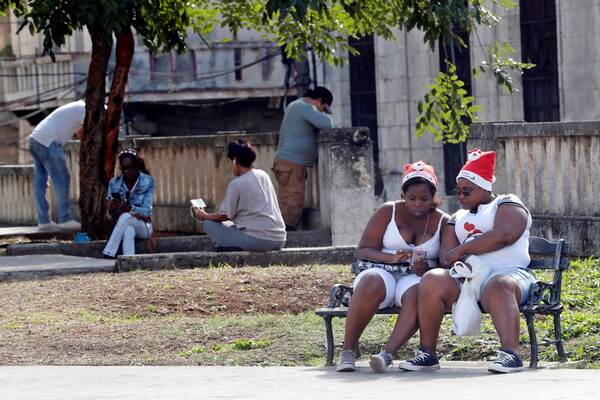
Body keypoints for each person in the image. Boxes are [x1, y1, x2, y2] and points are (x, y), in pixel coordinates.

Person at [399, 149, 535, 374]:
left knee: (498, 284)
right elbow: (446, 255)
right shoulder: (457, 217)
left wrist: (463, 249)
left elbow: (506, 234)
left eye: (467, 191)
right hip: (467, 277)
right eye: (458, 191)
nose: (461, 196)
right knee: (432, 279)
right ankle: (427, 354)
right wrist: (458, 262)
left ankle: (511, 354)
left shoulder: (507, 202)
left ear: (485, 188)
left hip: (510, 275)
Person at [336, 161, 449, 372]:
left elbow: (445, 261)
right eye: (411, 198)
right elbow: (363, 250)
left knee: (420, 291)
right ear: (403, 195)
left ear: (433, 196)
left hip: (415, 277)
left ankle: (387, 354)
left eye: (424, 199)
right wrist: (391, 258)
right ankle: (347, 351)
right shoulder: (388, 210)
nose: (417, 204)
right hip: (382, 270)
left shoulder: (444, 221)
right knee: (370, 281)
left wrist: (427, 267)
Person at [193, 139, 286, 252]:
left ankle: (230, 247)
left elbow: (224, 216)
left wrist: (204, 215)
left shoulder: (237, 184)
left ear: (234, 160)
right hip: (280, 239)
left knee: (208, 224)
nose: (228, 165)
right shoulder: (263, 175)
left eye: (228, 161)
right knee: (231, 225)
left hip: (259, 241)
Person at [272, 86, 333, 231]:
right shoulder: (305, 107)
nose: (321, 112)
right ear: (319, 101)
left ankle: (283, 229)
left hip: (286, 161)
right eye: (323, 109)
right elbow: (327, 124)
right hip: (292, 162)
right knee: (292, 198)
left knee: (286, 197)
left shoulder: (295, 105)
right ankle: (286, 233)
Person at [29, 100, 85, 231]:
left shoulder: (77, 107)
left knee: (41, 181)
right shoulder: (84, 109)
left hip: (35, 139)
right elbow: (84, 134)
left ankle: (43, 221)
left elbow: (79, 134)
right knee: (62, 179)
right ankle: (64, 219)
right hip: (49, 141)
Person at [102, 149, 154, 258]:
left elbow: (147, 211)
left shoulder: (147, 181)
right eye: (123, 168)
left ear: (136, 166)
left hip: (144, 225)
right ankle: (129, 260)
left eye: (129, 168)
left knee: (126, 215)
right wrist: (111, 209)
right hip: (123, 225)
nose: (126, 171)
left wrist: (129, 208)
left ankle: (108, 253)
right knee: (128, 231)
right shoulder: (114, 183)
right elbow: (110, 216)